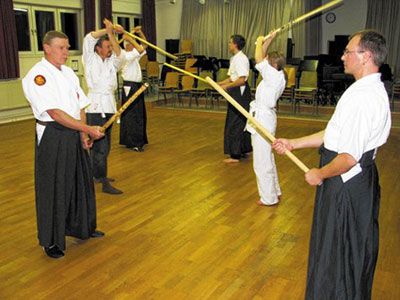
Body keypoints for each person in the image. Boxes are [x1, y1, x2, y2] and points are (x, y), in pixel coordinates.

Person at [272, 30, 391, 299]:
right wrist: (293, 143)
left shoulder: (364, 98)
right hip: (354, 181)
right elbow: (334, 134)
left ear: (366, 56)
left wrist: (320, 174)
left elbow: (348, 158)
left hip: (345, 184)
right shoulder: (365, 90)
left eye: (348, 51)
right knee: (340, 250)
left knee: (340, 254)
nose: (342, 56)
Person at [22, 30, 106, 259]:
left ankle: (82, 227)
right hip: (53, 134)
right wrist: (87, 129)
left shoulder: (68, 72)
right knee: (54, 187)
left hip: (74, 132)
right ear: (47, 48)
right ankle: (51, 241)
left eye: (67, 47)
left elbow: (80, 103)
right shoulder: (37, 75)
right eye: (61, 47)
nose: (65, 52)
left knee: (80, 182)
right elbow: (55, 113)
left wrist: (82, 133)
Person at [82, 19, 124, 194]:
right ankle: (103, 180)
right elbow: (89, 38)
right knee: (101, 146)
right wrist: (108, 29)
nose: (110, 49)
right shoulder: (89, 59)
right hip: (94, 108)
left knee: (103, 145)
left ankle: (97, 174)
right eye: (106, 46)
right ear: (98, 48)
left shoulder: (112, 63)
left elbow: (120, 55)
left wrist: (111, 34)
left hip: (109, 107)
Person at [246, 32, 286, 206]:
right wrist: (269, 39)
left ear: (274, 64)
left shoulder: (274, 76)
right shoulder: (275, 75)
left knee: (261, 161)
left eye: (268, 61)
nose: (264, 65)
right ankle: (274, 190)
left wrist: (260, 40)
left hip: (264, 119)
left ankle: (268, 198)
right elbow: (261, 57)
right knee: (266, 157)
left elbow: (258, 58)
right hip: (263, 117)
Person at [218, 34, 252, 163]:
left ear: (235, 44)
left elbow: (241, 80)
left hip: (240, 93)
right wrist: (219, 83)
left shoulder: (241, 59)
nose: (229, 44)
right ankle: (242, 150)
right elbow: (232, 77)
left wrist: (227, 86)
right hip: (235, 90)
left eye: (230, 42)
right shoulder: (235, 58)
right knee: (237, 121)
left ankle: (235, 155)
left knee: (236, 122)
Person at [119, 27, 148, 152]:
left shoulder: (133, 56)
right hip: (129, 86)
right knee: (132, 114)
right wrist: (130, 38)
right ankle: (133, 142)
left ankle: (135, 139)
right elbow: (140, 48)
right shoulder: (126, 56)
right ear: (127, 46)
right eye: (131, 44)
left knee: (139, 113)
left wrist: (140, 33)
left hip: (136, 85)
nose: (134, 45)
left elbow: (145, 45)